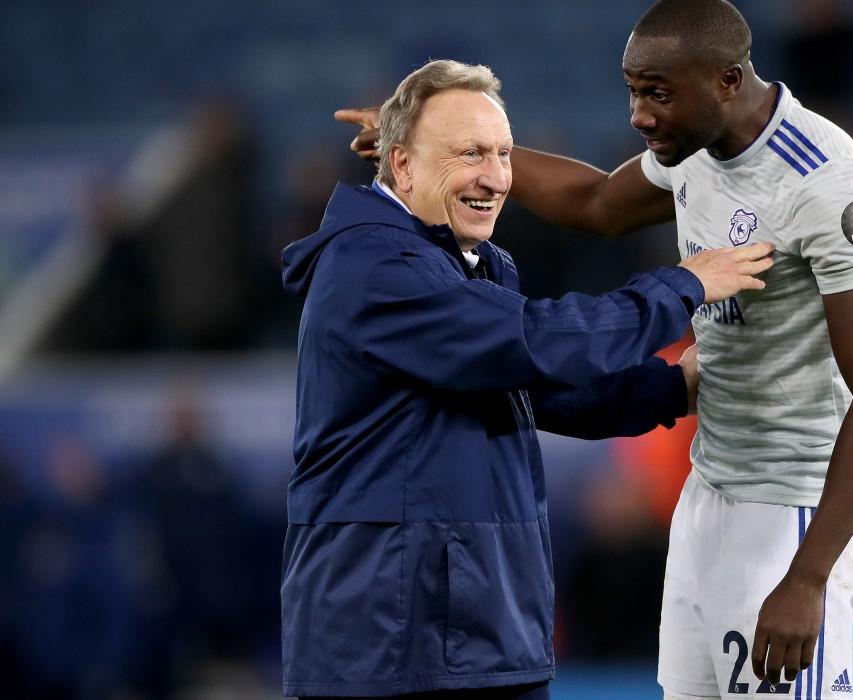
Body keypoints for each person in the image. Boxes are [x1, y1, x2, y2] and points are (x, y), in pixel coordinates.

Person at [337, 1, 853, 697]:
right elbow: (597, 202)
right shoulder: (695, 146)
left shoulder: (826, 182)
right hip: (711, 490)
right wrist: (450, 151)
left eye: (657, 94)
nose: (640, 115)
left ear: (727, 81)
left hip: (799, 508)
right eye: (635, 91)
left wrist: (810, 575)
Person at [283, 58, 774, 699]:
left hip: (470, 635)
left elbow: (544, 390)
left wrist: (673, 387)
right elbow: (540, 341)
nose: (495, 177)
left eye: (503, 154)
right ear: (401, 166)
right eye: (469, 153)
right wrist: (682, 286)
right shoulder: (374, 266)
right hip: (392, 647)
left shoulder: (464, 263)